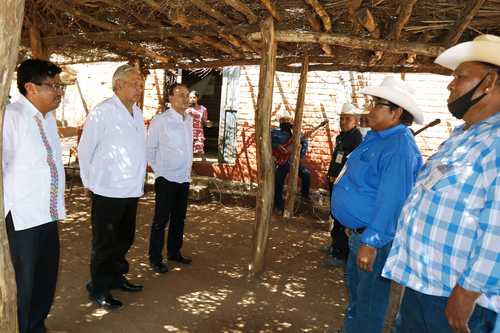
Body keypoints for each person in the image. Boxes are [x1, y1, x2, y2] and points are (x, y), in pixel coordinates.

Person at [383, 34, 500, 333]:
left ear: (489, 82)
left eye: (460, 77)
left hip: (459, 300)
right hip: (426, 285)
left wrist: (468, 290)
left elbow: (497, 228)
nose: (450, 84)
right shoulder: (464, 135)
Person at [331, 76, 424, 333]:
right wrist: (353, 224)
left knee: (369, 303)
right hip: (360, 233)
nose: (369, 110)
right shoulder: (377, 137)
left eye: (376, 105)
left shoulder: (399, 147)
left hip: (375, 241)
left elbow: (393, 200)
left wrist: (371, 242)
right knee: (359, 296)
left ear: (395, 113)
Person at [3, 59, 66, 333]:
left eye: (59, 86)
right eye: (52, 86)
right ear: (30, 88)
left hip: (48, 213)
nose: (58, 92)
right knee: (24, 284)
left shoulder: (47, 118)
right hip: (23, 217)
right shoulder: (11, 117)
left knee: (45, 278)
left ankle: (36, 326)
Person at [78, 64, 147, 310]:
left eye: (140, 83)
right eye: (134, 83)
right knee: (104, 243)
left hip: (130, 189)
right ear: (118, 84)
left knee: (124, 239)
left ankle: (117, 277)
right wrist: (88, 182)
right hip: (108, 189)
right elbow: (86, 149)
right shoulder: (103, 111)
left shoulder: (137, 112)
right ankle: (98, 288)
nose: (139, 87)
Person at [148, 83, 193, 273]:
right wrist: (160, 171)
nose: (185, 98)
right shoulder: (161, 120)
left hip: (183, 178)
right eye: (180, 95)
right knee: (161, 219)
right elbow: (150, 149)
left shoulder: (189, 120)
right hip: (166, 178)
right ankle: (155, 258)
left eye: (186, 95)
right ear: (170, 99)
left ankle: (174, 252)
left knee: (179, 218)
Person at [323, 102, 363, 267]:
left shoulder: (356, 138)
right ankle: (334, 245)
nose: (343, 122)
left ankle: (341, 254)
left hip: (345, 185)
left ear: (355, 121)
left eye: (347, 119)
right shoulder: (341, 137)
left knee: (342, 218)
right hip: (335, 181)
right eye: (341, 118)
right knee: (334, 214)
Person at [271, 109, 311, 214]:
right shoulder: (274, 132)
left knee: (306, 175)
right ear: (279, 121)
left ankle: (304, 199)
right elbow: (269, 143)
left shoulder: (296, 132)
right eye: (283, 120)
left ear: (290, 120)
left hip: (293, 161)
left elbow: (305, 143)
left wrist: (299, 155)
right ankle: (278, 206)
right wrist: (277, 146)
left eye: (287, 119)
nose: (285, 122)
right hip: (281, 162)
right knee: (278, 183)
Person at [187, 90, 211, 157]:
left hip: (198, 132)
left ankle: (204, 162)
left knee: (199, 149)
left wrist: (208, 123)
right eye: (190, 97)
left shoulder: (203, 109)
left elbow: (205, 121)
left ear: (197, 98)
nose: (192, 99)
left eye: (194, 97)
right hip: (187, 132)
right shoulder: (186, 108)